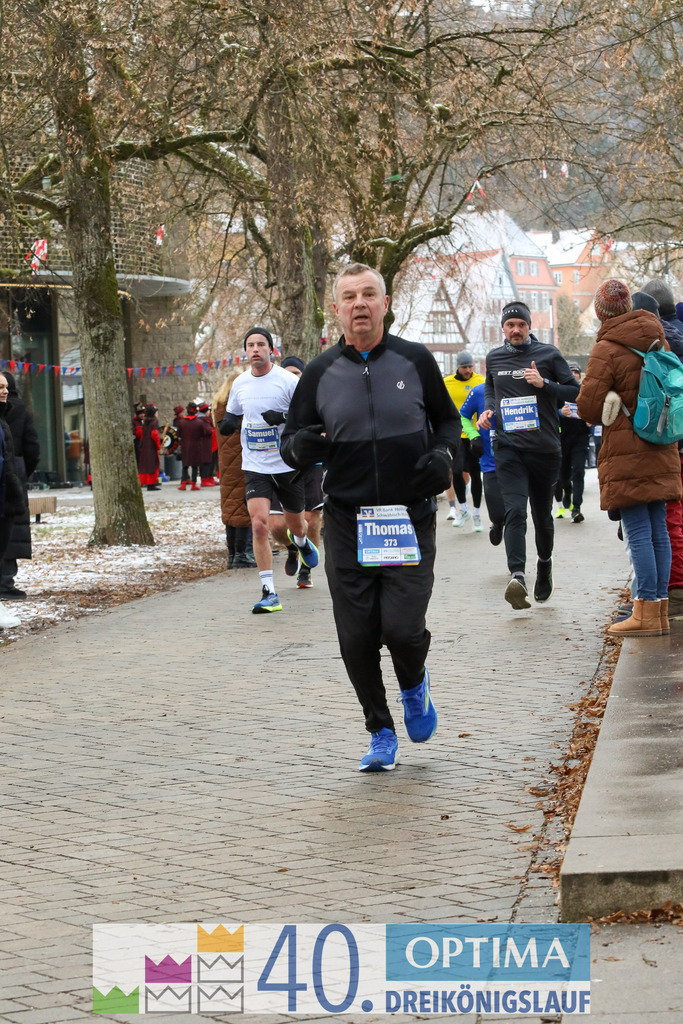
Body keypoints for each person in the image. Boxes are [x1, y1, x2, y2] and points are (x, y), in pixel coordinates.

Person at [281, 263, 460, 772]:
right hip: (346, 520)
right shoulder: (318, 372)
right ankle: (380, 730)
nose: (359, 303)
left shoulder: (415, 360)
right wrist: (301, 446)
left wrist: (445, 458)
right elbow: (289, 441)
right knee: (356, 634)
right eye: (348, 296)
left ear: (385, 303)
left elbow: (448, 423)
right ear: (335, 309)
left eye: (368, 294)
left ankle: (414, 687)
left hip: (408, 517)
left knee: (403, 630)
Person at [577, 279, 682, 636]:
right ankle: (661, 612)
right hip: (661, 444)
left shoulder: (606, 348)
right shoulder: (657, 336)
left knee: (639, 531)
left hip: (628, 451)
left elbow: (589, 408)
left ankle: (645, 613)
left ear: (601, 312)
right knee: (659, 531)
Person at [477, 300, 579, 609]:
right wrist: (489, 409)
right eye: (511, 325)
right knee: (515, 511)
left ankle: (544, 564)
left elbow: (575, 391)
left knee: (541, 516)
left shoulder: (548, 355)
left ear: (529, 327)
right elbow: (491, 388)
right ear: (503, 329)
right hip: (508, 449)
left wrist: (544, 383)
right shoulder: (494, 358)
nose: (516, 329)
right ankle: (517, 577)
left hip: (544, 449)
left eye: (521, 324)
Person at [219, 326, 319, 613]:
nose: (255, 349)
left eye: (261, 344)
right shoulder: (240, 383)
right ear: (245, 351)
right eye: (250, 345)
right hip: (255, 466)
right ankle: (269, 592)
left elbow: (309, 416)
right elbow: (233, 414)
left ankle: (300, 542)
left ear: (270, 349)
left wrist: (283, 417)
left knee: (295, 525)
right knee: (260, 524)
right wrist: (228, 423)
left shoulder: (287, 381)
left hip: (287, 464)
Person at [270, 354, 324, 588]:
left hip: (311, 463)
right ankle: (294, 548)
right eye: (288, 373)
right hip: (278, 463)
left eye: (297, 374)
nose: (292, 378)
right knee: (277, 526)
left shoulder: (315, 394)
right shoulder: (273, 394)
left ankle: (306, 569)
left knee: (311, 520)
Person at [0, 372, 40, 600]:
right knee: (11, 529)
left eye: (5, 387)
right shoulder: (21, 410)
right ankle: (6, 582)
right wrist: (24, 471)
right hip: (15, 472)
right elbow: (33, 446)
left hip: (11, 472)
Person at [212, 372, 257, 569]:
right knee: (242, 506)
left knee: (230, 507)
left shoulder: (218, 408)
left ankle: (232, 554)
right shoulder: (238, 409)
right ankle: (242, 554)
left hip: (226, 462)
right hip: (242, 461)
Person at [443, 350, 485, 529]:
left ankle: (476, 513)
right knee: (457, 472)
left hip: (475, 434)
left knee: (475, 473)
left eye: (470, 366)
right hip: (456, 435)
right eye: (464, 367)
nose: (467, 370)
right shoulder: (447, 383)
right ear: (457, 367)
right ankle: (463, 508)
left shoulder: (480, 381)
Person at [459, 382, 505, 546]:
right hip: (490, 462)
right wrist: (473, 436)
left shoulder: (518, 387)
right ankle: (498, 524)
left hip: (516, 462)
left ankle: (516, 566)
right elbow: (463, 415)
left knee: (517, 515)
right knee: (498, 514)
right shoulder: (479, 391)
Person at [0, 374, 26, 630]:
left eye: (6, 386)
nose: (4, 391)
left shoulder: (4, 418)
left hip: (6, 497)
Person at [554, 363, 590, 523]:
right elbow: (548, 413)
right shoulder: (558, 392)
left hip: (580, 439)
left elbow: (594, 410)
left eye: (576, 372)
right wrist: (561, 412)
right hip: (562, 440)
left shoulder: (585, 392)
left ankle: (576, 509)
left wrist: (591, 419)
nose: (574, 375)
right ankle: (567, 492)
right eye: (571, 372)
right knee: (563, 476)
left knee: (579, 472)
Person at [178, 401, 211, 490]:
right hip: (196, 446)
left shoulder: (182, 422)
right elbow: (204, 433)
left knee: (185, 465)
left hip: (185, 446)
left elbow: (179, 434)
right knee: (194, 465)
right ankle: (193, 484)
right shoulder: (199, 422)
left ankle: (183, 483)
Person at [137, 404, 161, 491]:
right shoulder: (154, 421)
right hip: (152, 446)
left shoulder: (145, 422)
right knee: (153, 464)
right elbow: (154, 434)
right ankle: (152, 484)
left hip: (145, 446)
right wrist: (159, 445)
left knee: (146, 465)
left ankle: (148, 483)